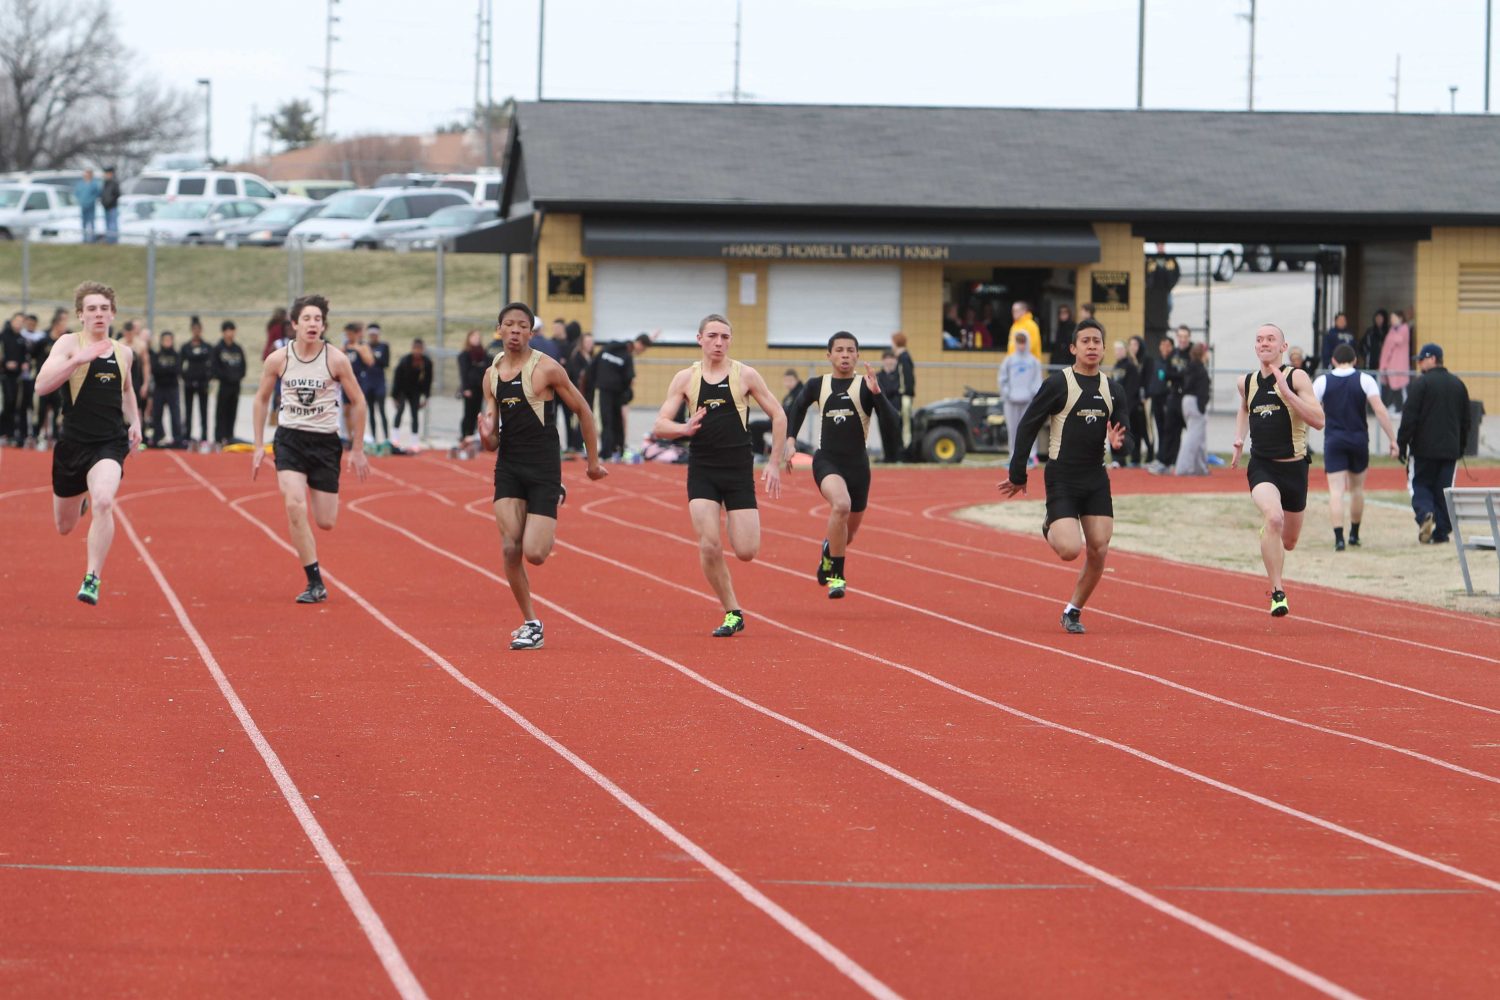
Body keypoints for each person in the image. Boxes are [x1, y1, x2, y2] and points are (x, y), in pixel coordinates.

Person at [479, 302, 606, 649]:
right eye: (509, 324)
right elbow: (490, 441)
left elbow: (583, 410)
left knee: (534, 553)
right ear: (500, 330)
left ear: (531, 332)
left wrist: (593, 463)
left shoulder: (547, 369)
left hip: (543, 468)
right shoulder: (491, 375)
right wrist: (485, 432)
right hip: (508, 467)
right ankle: (531, 622)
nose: (516, 330)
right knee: (509, 548)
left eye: (523, 325)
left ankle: (554, 494)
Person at [652, 314, 786, 637]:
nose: (718, 343)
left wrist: (773, 463)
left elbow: (779, 415)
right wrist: (683, 428)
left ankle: (731, 515)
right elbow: (659, 425)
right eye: (712, 336)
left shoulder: (745, 375)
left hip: (738, 472)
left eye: (725, 337)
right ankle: (732, 611)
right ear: (699, 339)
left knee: (746, 551)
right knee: (710, 546)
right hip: (703, 471)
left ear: (731, 340)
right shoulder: (686, 379)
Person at [997, 318, 1131, 635]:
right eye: (1085, 341)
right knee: (1070, 550)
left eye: (1097, 341)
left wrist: (1119, 446)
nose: (1092, 346)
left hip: (1096, 477)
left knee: (1099, 548)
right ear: (1073, 348)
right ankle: (1050, 525)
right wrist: (1018, 473)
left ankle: (1073, 610)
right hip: (1062, 477)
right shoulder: (1058, 384)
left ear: (1103, 347)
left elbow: (1126, 442)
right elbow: (1028, 425)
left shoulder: (1114, 389)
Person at [250, 294, 371, 603]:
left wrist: (357, 449)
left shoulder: (336, 359)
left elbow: (358, 401)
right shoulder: (279, 359)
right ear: (294, 324)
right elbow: (262, 399)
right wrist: (257, 445)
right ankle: (314, 581)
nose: (313, 324)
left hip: (325, 442)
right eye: (307, 319)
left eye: (318, 319)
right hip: (289, 439)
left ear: (323, 325)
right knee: (293, 505)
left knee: (325, 521)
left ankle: (314, 571)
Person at [34, 281, 143, 604]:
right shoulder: (69, 344)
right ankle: (80, 500)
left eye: (104, 309)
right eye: (92, 309)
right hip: (73, 445)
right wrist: (79, 359)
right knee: (64, 526)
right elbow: (41, 386)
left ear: (112, 314)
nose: (99, 314)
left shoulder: (125, 352)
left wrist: (135, 421)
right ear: (81, 315)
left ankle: (92, 577)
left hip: (109, 444)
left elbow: (127, 391)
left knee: (105, 502)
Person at [782, 332, 899, 599]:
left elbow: (894, 424)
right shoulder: (817, 384)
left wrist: (878, 394)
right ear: (829, 355)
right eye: (839, 350)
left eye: (850, 350)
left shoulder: (866, 386)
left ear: (858, 355)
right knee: (841, 505)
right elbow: (797, 408)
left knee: (848, 534)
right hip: (827, 460)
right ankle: (837, 575)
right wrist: (791, 441)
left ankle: (828, 551)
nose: (845, 354)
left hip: (858, 466)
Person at [1230, 323, 1326, 617]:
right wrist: (1238, 439)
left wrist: (1287, 392)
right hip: (1262, 467)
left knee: (1290, 541)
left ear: (1283, 347)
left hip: (1295, 469)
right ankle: (1277, 592)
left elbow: (1319, 420)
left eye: (1271, 339)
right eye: (1259, 340)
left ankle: (1272, 531)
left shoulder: (1297, 377)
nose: (1264, 343)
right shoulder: (1245, 382)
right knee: (1274, 517)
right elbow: (1245, 407)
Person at [1314, 343, 1398, 550]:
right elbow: (1380, 410)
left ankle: (1338, 538)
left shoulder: (1322, 381)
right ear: (1355, 360)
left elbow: (1310, 410)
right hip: (1358, 439)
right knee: (1357, 488)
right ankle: (1354, 534)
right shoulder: (1365, 379)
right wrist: (1392, 439)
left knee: (1336, 490)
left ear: (1333, 360)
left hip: (1334, 439)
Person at [1397, 344, 1472, 546]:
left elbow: (1409, 417)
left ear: (1432, 359)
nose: (1419, 363)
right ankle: (1442, 532)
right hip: (1450, 450)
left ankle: (1425, 514)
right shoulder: (1458, 384)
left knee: (1420, 484)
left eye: (1422, 359)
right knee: (1445, 490)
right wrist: (1461, 446)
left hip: (1423, 449)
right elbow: (1466, 420)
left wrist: (1402, 444)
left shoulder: (1421, 384)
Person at [593, 333, 650, 460]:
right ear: (639, 344)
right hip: (615, 392)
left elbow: (595, 364)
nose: (641, 351)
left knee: (607, 421)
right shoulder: (626, 355)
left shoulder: (611, 347)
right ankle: (615, 449)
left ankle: (609, 450)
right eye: (643, 349)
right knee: (614, 421)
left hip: (603, 388)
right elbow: (629, 378)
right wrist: (627, 392)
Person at [999, 330, 1044, 465]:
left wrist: (1033, 394)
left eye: (1023, 342)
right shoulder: (1009, 360)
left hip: (1028, 401)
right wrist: (1007, 393)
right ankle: (1013, 456)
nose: (1021, 346)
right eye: (1019, 342)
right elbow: (1002, 379)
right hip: (1011, 401)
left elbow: (1037, 380)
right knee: (1012, 429)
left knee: (1029, 428)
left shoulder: (1034, 362)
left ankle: (1031, 455)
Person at [1173, 342, 1212, 476]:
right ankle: (1183, 468)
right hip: (1195, 402)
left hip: (1188, 401)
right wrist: (1202, 405)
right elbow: (1202, 390)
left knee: (1199, 437)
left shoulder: (1190, 366)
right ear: (1202, 354)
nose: (1208, 355)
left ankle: (1200, 468)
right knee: (1193, 437)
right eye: (1206, 352)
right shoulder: (1200, 368)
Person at [1145, 335, 1180, 472]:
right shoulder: (1156, 362)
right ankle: (1160, 458)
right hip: (1156, 398)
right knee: (1159, 429)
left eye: (1168, 345)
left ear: (1172, 347)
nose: (1165, 348)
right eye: (1162, 345)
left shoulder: (1173, 362)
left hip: (1168, 398)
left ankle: (1170, 459)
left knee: (1169, 430)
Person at [33, 309, 68, 441]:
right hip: (44, 380)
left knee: (57, 408)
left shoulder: (65, 342)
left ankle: (54, 436)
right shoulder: (43, 340)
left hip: (59, 381)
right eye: (62, 325)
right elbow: (33, 355)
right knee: (41, 409)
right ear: (56, 325)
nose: (65, 328)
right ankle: (36, 434)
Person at [180, 316, 214, 444]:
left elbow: (211, 364)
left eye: (198, 329)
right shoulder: (186, 347)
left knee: (203, 410)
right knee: (188, 410)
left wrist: (208, 379)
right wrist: (185, 378)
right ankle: (187, 435)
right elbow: (180, 364)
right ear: (191, 330)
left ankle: (204, 436)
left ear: (201, 330)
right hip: (189, 384)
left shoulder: (207, 346)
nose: (196, 332)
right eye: (194, 329)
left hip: (203, 383)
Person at [213, 321, 246, 445]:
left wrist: (236, 377)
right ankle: (219, 437)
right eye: (227, 331)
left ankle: (229, 436)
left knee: (232, 410)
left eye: (232, 330)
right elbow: (215, 367)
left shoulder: (238, 349)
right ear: (223, 332)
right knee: (221, 410)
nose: (230, 333)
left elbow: (243, 367)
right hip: (224, 385)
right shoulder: (218, 348)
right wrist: (226, 376)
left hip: (235, 385)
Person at [562, 331, 596, 453]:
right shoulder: (576, 357)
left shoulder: (591, 357)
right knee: (576, 419)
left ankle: (581, 443)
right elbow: (573, 375)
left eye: (591, 342)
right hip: (578, 393)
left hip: (589, 393)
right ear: (582, 343)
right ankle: (575, 444)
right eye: (587, 342)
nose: (589, 344)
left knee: (586, 419)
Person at [391, 338, 432, 435]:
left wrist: (426, 396)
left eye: (419, 349)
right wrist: (394, 396)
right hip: (403, 389)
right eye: (415, 348)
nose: (417, 351)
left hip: (416, 391)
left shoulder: (426, 362)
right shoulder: (405, 360)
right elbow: (397, 379)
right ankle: (394, 438)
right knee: (400, 410)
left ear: (423, 349)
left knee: (415, 413)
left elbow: (428, 381)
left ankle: (414, 441)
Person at [1123, 335, 1153, 466]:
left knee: (1146, 429)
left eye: (1135, 345)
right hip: (1132, 401)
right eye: (1131, 345)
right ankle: (1135, 457)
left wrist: (1146, 395)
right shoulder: (1129, 361)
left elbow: (1148, 378)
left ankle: (1150, 455)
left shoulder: (1146, 360)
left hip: (1144, 400)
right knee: (1134, 429)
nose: (1133, 347)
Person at [150, 330, 182, 447]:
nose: (167, 342)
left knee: (175, 414)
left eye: (169, 340)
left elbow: (177, 370)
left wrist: (164, 369)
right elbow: (155, 370)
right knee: (157, 413)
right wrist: (167, 369)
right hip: (159, 387)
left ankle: (177, 439)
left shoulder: (176, 355)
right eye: (165, 340)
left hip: (172, 388)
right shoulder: (157, 355)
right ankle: (157, 438)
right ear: (161, 341)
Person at [0, 313, 28, 445]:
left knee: (13, 404)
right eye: (17, 321)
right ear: (12, 321)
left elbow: (25, 356)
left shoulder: (21, 339)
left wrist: (24, 364)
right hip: (4, 375)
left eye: (21, 322)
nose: (19, 324)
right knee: (6, 402)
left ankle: (10, 433)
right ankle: (3, 431)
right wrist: (5, 363)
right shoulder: (3, 336)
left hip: (16, 377)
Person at [363, 323, 391, 442]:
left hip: (379, 382)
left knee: (382, 410)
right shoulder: (364, 346)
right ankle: (373, 438)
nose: (373, 336)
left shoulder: (384, 346)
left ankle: (386, 439)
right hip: (368, 382)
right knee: (371, 412)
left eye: (375, 334)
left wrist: (373, 356)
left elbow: (385, 363)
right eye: (371, 334)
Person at [458, 329, 487, 443]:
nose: (477, 339)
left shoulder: (483, 353)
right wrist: (465, 388)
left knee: (478, 413)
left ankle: (473, 435)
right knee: (468, 413)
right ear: (469, 339)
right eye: (474, 337)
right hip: (470, 388)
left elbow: (486, 368)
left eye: (478, 337)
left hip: (480, 387)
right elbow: (464, 372)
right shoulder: (465, 354)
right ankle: (465, 434)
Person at [1379, 310, 1412, 411]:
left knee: (1399, 386)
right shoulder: (1392, 330)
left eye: (1394, 318)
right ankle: (1395, 407)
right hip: (1390, 364)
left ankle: (1400, 408)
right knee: (1392, 386)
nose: (1392, 320)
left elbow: (1398, 340)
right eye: (1391, 318)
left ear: (1400, 318)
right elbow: (1387, 347)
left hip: (1399, 364)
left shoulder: (1404, 329)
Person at [892, 331, 915, 457]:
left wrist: (906, 392)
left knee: (906, 425)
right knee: (903, 423)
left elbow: (907, 378)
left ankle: (907, 451)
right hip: (904, 395)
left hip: (905, 395)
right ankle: (904, 449)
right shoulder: (902, 357)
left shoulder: (904, 358)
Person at [73, 170, 101, 243]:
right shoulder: (80, 184)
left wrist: (91, 200)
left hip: (91, 206)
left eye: (88, 174)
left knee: (92, 222)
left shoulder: (94, 184)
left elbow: (97, 194)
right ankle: (85, 239)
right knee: (84, 223)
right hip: (83, 206)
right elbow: (77, 193)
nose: (86, 176)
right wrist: (80, 200)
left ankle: (92, 239)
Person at [99, 168, 122, 245]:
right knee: (107, 224)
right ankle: (109, 240)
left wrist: (110, 202)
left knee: (113, 225)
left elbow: (117, 194)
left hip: (112, 206)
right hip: (106, 207)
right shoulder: (105, 183)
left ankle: (113, 240)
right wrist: (103, 202)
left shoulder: (114, 183)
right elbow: (102, 194)